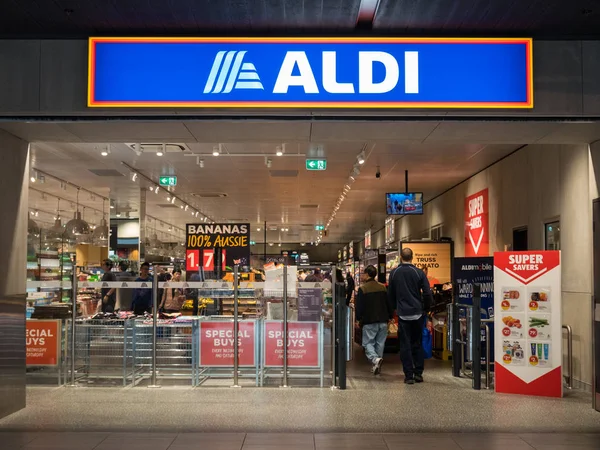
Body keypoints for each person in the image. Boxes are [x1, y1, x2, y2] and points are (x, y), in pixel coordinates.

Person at [388, 248, 433, 384]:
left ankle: (408, 375)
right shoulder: (418, 272)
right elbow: (427, 292)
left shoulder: (394, 273)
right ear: (412, 257)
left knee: (405, 345)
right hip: (417, 313)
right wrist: (426, 308)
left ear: (401, 257)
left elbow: (390, 294)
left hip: (403, 314)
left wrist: (392, 311)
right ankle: (418, 372)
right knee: (417, 343)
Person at [356, 265, 393, 375]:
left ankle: (374, 359)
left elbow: (360, 306)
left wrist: (358, 319)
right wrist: (390, 316)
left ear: (367, 274)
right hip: (383, 320)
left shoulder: (363, 289)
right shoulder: (382, 287)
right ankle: (377, 366)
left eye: (363, 273)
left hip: (369, 321)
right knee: (380, 343)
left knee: (367, 343)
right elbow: (388, 303)